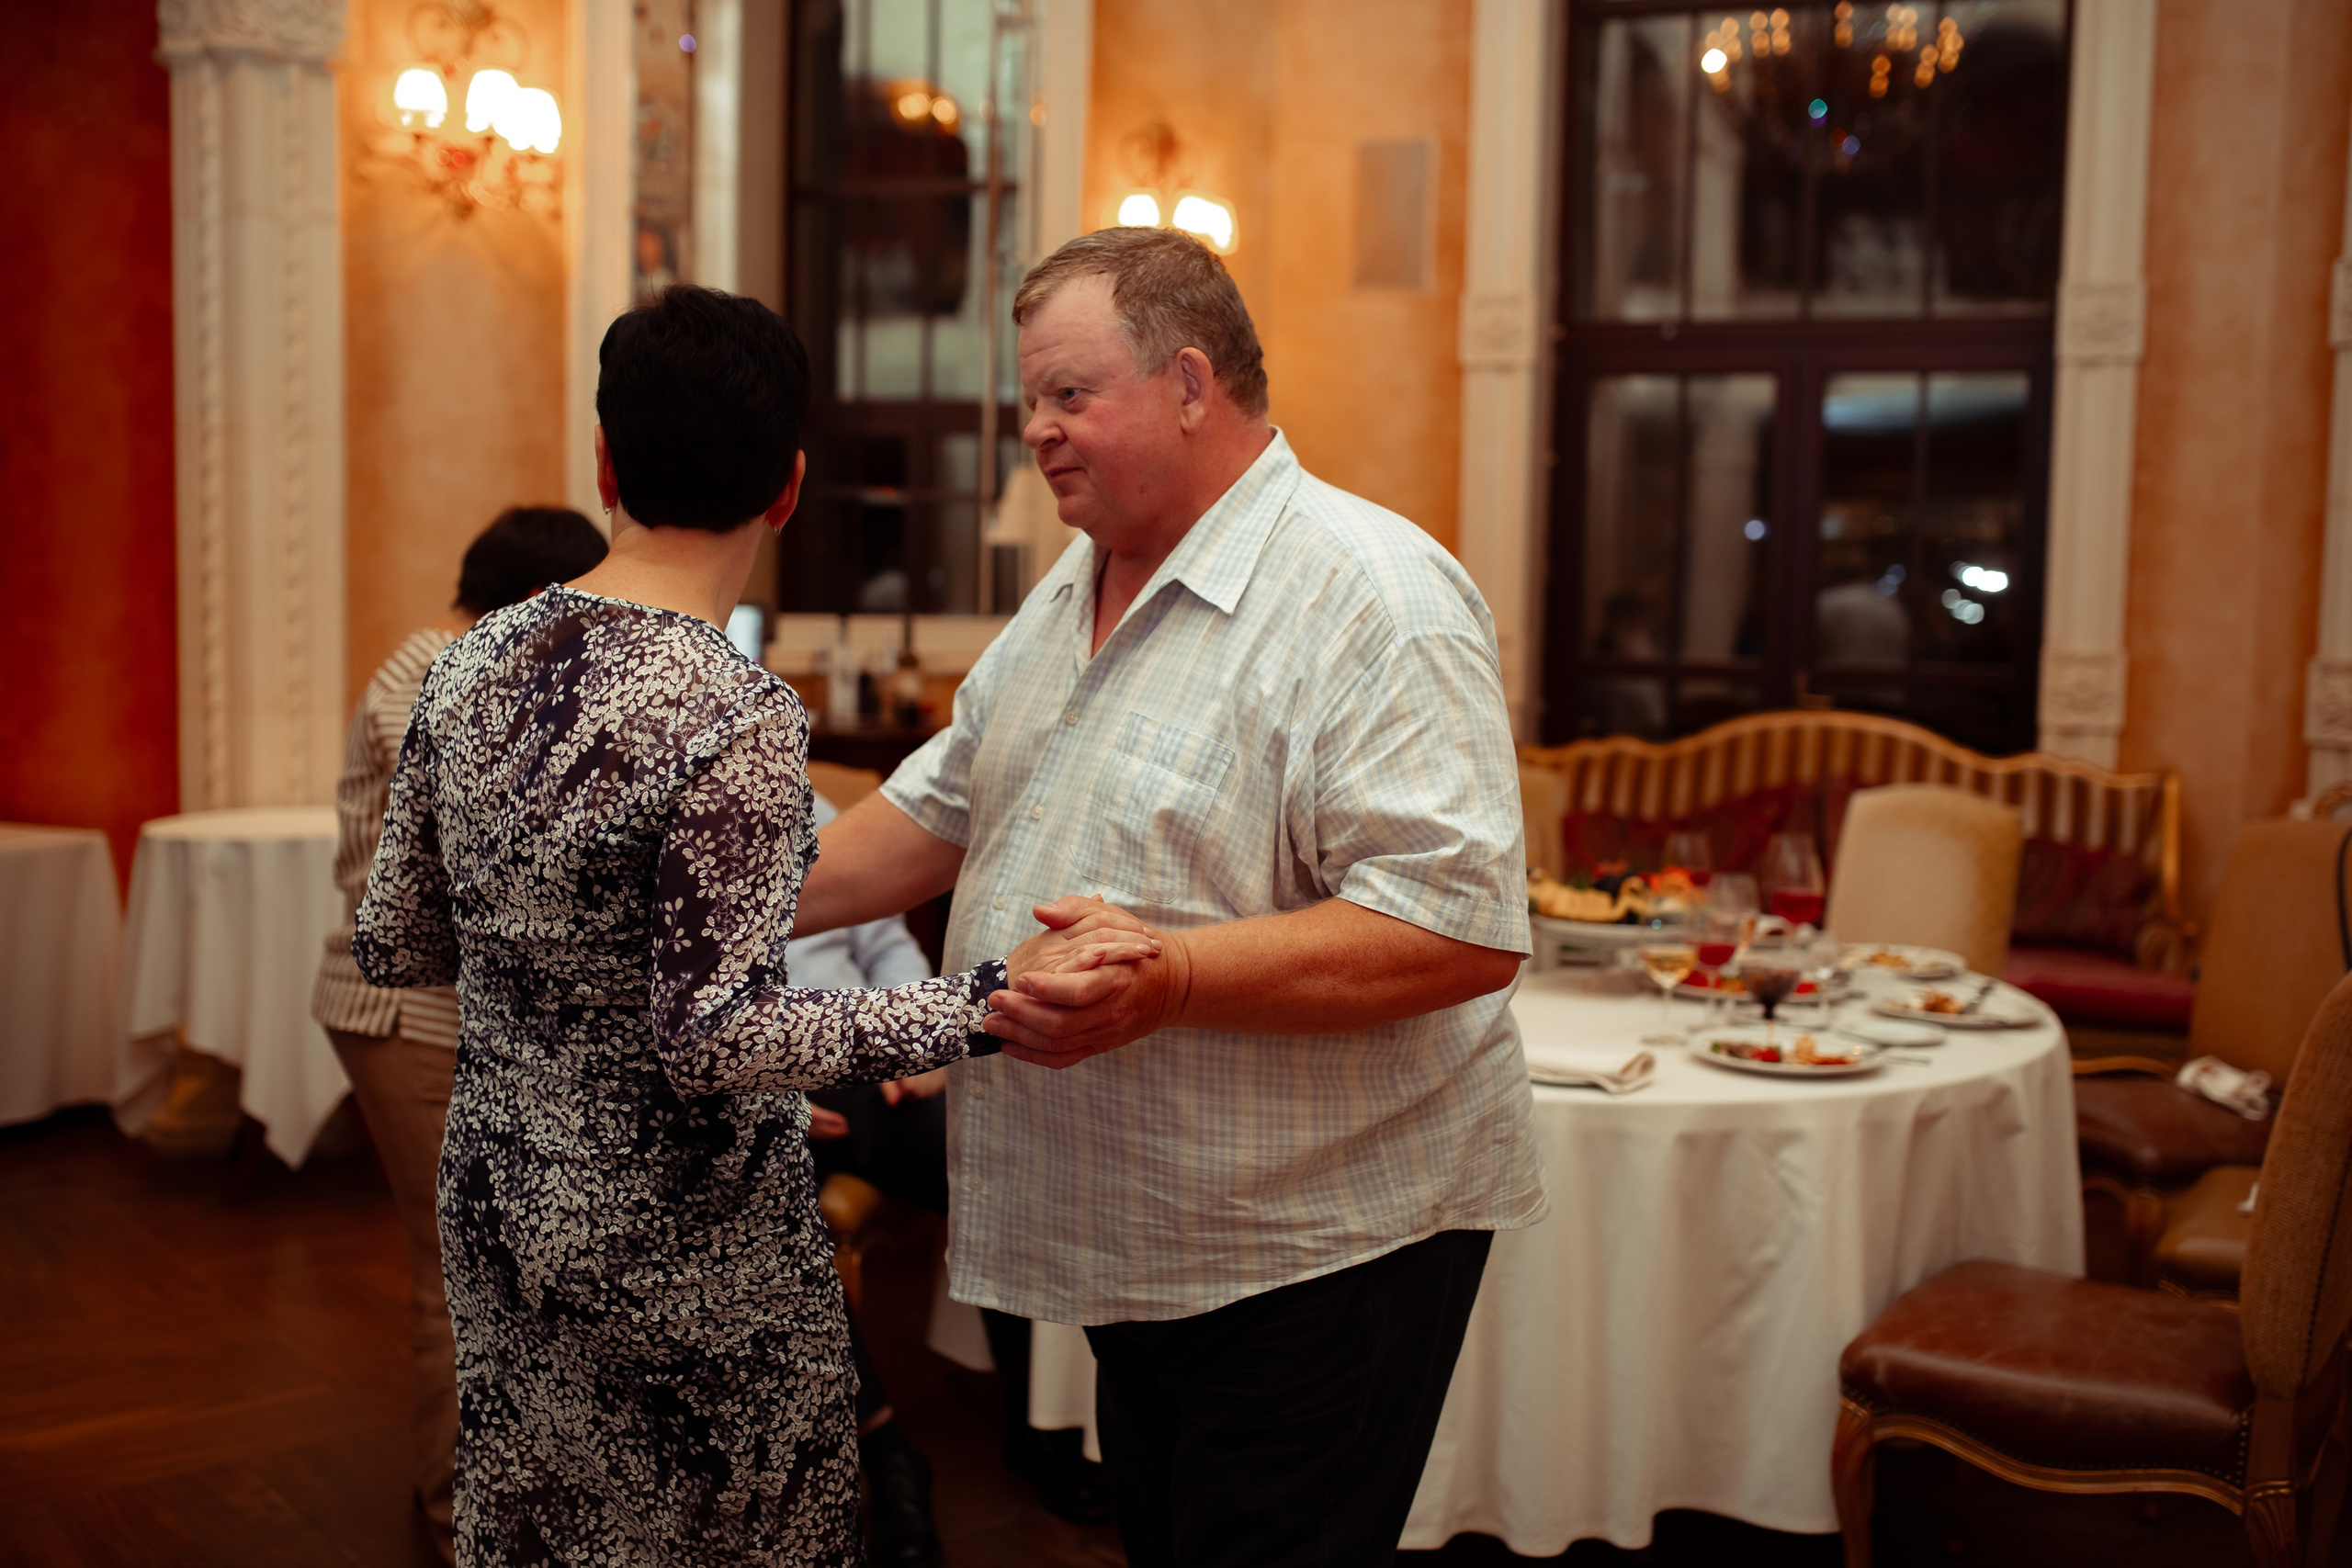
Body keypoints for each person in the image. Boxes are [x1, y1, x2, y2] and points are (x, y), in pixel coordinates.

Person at [352, 284, 1159, 1566]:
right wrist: (986, 995)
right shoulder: (734, 709)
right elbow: (715, 1037)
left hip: (502, 1195)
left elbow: (399, 937)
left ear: (606, 465)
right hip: (683, 1232)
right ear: (789, 486)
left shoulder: (462, 663)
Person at [797, 228, 1548, 1565]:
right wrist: (709, 900)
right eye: (1031, 398)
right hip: (1150, 1231)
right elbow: (936, 805)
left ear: (1192, 382)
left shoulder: (1371, 594)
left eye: (1069, 394)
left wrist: (1178, 977)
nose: (1037, 429)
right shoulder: (1073, 586)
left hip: (1319, 1240)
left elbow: (1458, 922)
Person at [311, 504, 609, 1564]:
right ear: (539, 602)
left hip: (445, 1011)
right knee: (457, 1271)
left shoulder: (469, 671)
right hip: (402, 1016)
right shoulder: (434, 677)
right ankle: (457, 1514)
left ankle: (487, 1486)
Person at [793, 792, 1114, 1567]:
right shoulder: (637, 808)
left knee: (1005, 1160)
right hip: (760, 1085)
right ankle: (889, 1454)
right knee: (766, 1225)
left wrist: (913, 1036)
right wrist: (763, 1092)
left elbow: (886, 944)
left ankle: (1040, 1420)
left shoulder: (801, 795)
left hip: (873, 1056)